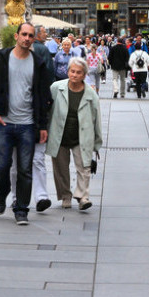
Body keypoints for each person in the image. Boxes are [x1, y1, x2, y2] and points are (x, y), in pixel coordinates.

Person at [0, 22, 52, 225]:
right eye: (24, 34)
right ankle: (1, 193)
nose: (27, 38)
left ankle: (21, 209)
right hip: (4, 123)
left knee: (25, 169)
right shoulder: (2, 58)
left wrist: (42, 125)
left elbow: (43, 95)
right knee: (2, 166)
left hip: (27, 125)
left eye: (31, 35)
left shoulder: (38, 62)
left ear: (34, 39)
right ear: (16, 36)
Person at [45, 57, 102, 210]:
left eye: (78, 72)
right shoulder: (56, 88)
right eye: (72, 71)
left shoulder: (91, 94)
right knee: (61, 170)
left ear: (84, 75)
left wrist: (97, 142)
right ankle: (65, 196)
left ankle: (83, 197)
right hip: (59, 135)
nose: (74, 75)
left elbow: (96, 120)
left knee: (84, 167)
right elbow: (47, 111)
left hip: (82, 137)